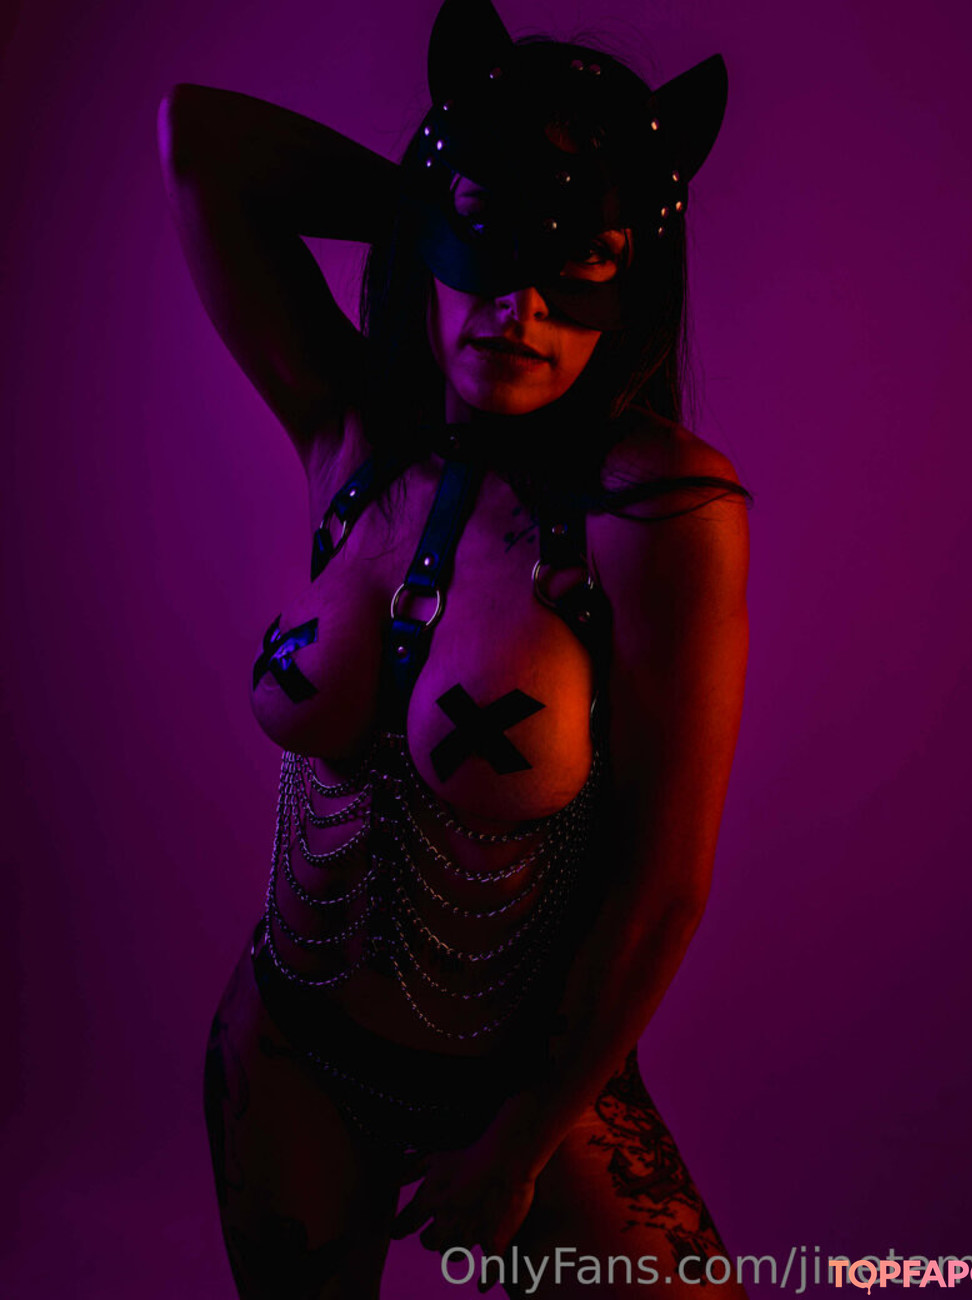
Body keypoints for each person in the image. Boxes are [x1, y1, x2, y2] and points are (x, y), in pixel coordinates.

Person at [159, 0, 750, 1294]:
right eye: (487, 242)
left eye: (578, 259)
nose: (520, 305)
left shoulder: (661, 514)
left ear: (630, 282)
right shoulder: (349, 438)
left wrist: (524, 1142)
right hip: (287, 1052)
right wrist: (449, 195)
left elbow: (664, 883)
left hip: (521, 1085)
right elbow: (200, 144)